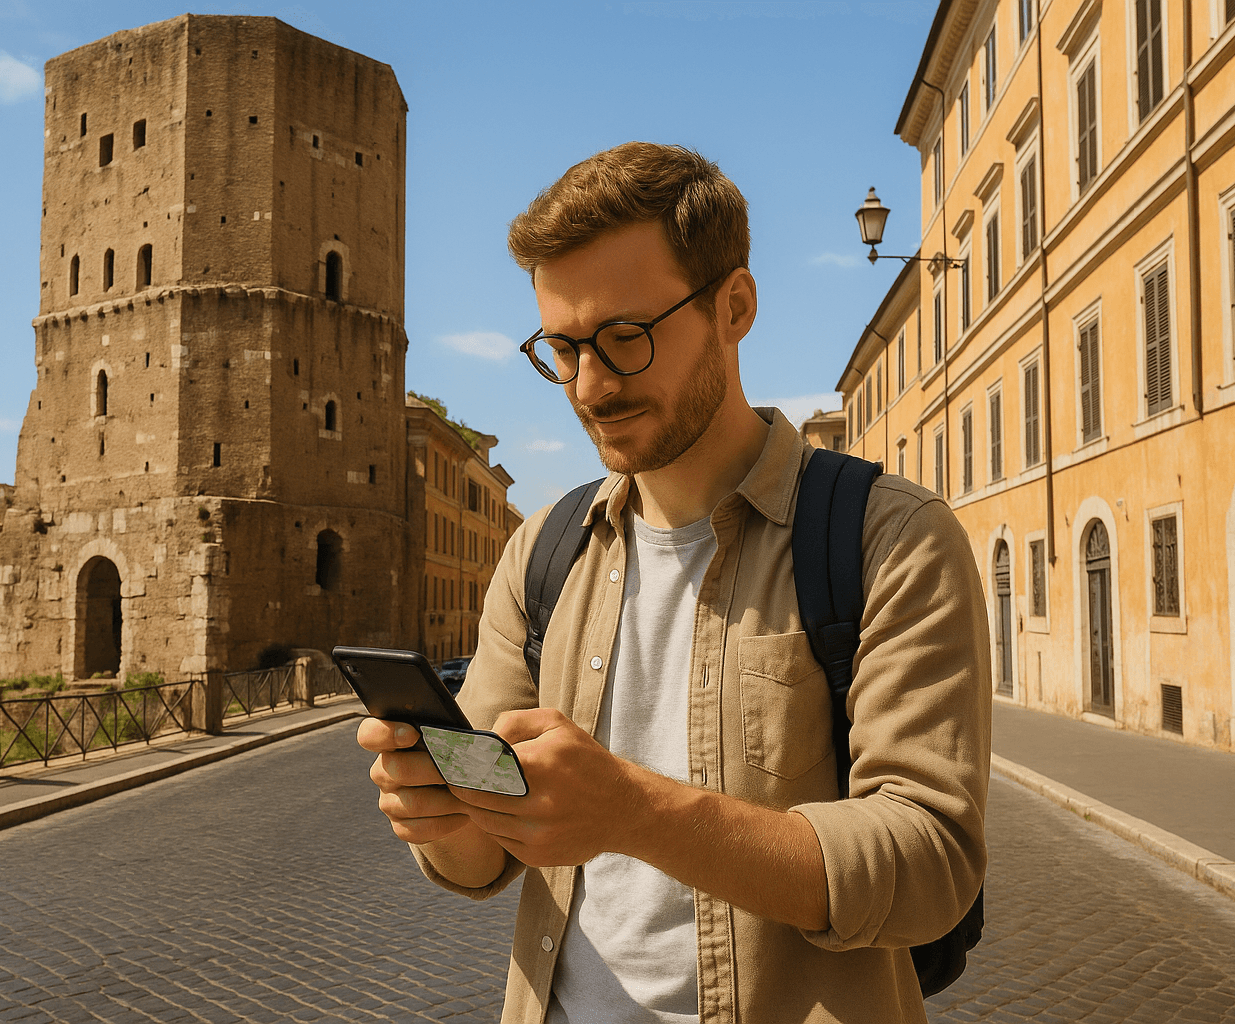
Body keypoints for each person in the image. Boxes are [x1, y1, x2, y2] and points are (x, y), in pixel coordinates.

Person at [359, 142, 991, 1024]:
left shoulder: (891, 539)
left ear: (733, 307)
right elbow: (480, 860)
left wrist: (637, 815)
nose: (590, 386)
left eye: (624, 338)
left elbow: (929, 865)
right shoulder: (543, 551)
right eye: (562, 347)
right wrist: (438, 813)